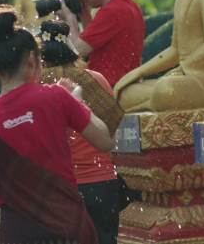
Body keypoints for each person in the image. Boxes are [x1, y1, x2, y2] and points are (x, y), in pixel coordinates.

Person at [0, 6, 115, 244]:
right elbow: (105, 140)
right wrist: (78, 104)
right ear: (32, 60)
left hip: (18, 233)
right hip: (66, 228)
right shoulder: (56, 97)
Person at [39, 20, 123, 244]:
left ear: (41, 58)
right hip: (103, 183)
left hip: (62, 188)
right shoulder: (96, 79)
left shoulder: (39, 87)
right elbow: (113, 130)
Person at [59, 0, 144, 87]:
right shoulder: (128, 4)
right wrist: (84, 13)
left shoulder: (112, 11)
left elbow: (76, 51)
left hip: (105, 90)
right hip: (122, 82)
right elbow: (92, 44)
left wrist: (69, 17)